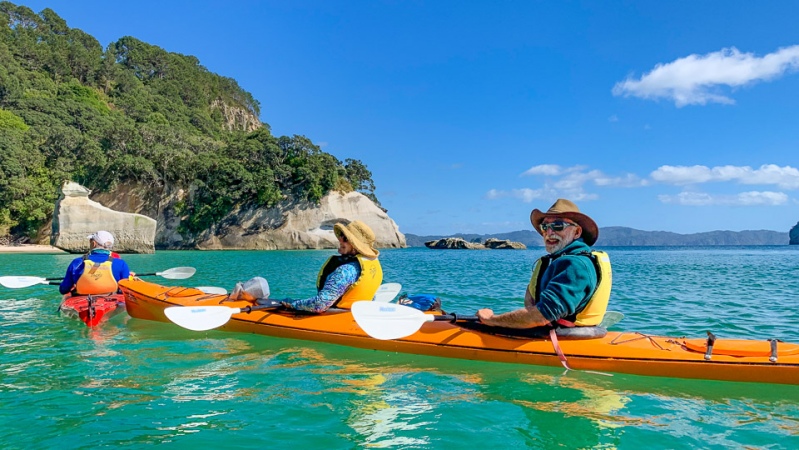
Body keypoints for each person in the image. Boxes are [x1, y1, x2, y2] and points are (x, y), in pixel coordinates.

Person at [477, 198, 611, 330]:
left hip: (561, 340)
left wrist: (491, 320)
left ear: (577, 232)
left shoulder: (576, 266)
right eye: (545, 227)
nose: (549, 232)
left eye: (558, 226)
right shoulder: (559, 260)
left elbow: (542, 315)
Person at [275, 220, 383, 313]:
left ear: (355, 246)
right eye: (341, 235)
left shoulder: (346, 271)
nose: (340, 239)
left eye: (345, 238)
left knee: (288, 300)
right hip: (356, 315)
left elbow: (320, 304)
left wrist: (293, 304)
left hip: (336, 318)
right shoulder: (373, 267)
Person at [59, 231, 131, 296]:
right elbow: (125, 290)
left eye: (90, 241)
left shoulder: (77, 262)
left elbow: (63, 290)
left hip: (82, 298)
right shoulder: (121, 263)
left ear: (93, 243)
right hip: (110, 298)